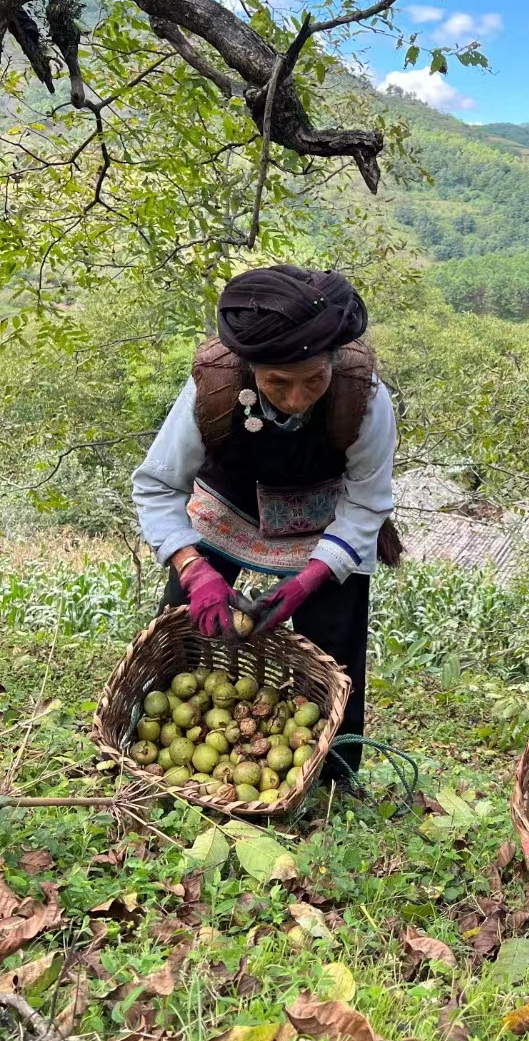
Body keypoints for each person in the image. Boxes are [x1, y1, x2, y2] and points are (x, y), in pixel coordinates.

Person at [132, 265, 397, 762]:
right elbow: (158, 483)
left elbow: (367, 500)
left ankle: (334, 772)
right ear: (251, 368)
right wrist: (193, 571)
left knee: (336, 654)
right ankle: (157, 744)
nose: (297, 398)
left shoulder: (364, 396)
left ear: (332, 363)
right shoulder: (211, 386)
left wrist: (312, 577)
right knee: (186, 628)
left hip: (324, 519)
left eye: (313, 379)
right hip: (227, 509)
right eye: (278, 382)